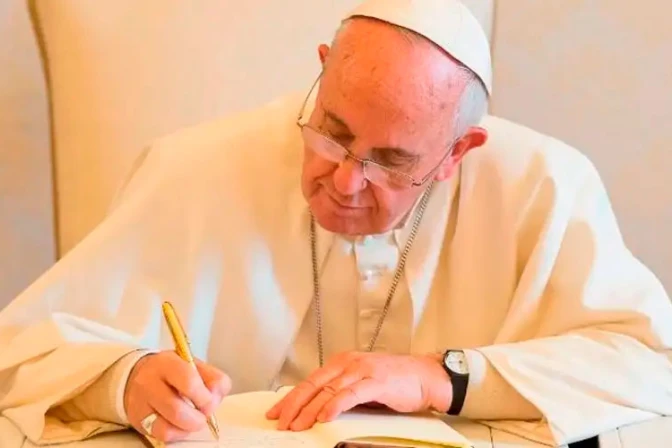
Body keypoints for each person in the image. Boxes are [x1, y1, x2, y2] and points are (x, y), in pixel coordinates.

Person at [1, 0, 671, 447]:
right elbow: (23, 349)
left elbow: (649, 363)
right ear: (323, 71)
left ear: (457, 152)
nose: (345, 181)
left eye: (391, 161)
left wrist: (440, 378)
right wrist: (126, 378)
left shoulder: (545, 185)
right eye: (333, 132)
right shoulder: (198, 165)